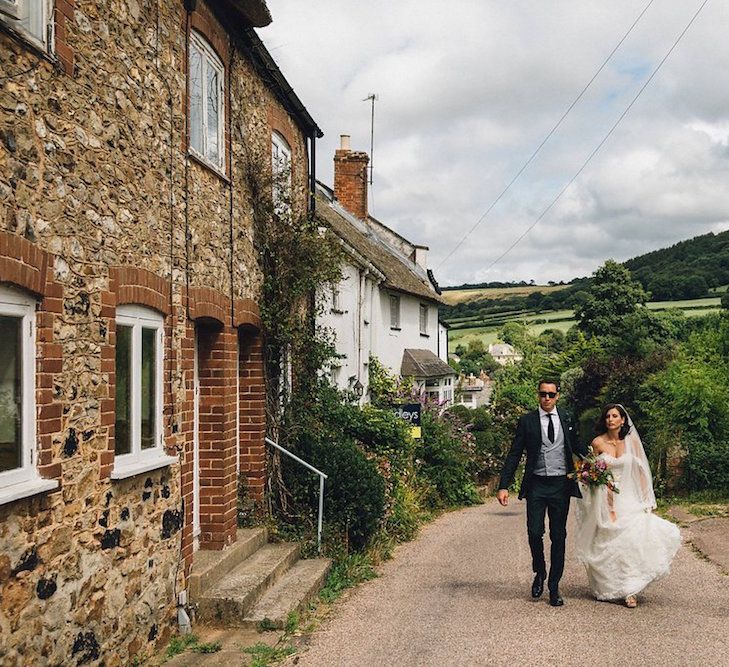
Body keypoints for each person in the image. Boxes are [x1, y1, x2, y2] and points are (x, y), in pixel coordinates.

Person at [575, 404, 680, 608]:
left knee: (631, 540)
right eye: (608, 416)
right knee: (608, 540)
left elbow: (641, 472)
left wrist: (647, 499)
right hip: (604, 497)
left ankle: (630, 589)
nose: (610, 419)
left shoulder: (631, 442)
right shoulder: (597, 443)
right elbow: (588, 472)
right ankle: (609, 585)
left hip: (629, 497)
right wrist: (596, 486)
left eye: (615, 416)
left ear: (623, 420)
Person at [497, 380, 587, 606]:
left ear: (558, 396)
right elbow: (514, 453)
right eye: (543, 394)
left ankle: (554, 586)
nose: (546, 398)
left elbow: (578, 448)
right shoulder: (527, 421)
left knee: (559, 536)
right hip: (536, 484)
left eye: (551, 394)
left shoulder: (566, 418)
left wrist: (599, 469)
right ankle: (540, 571)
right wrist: (503, 485)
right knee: (535, 532)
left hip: (561, 484)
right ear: (538, 395)